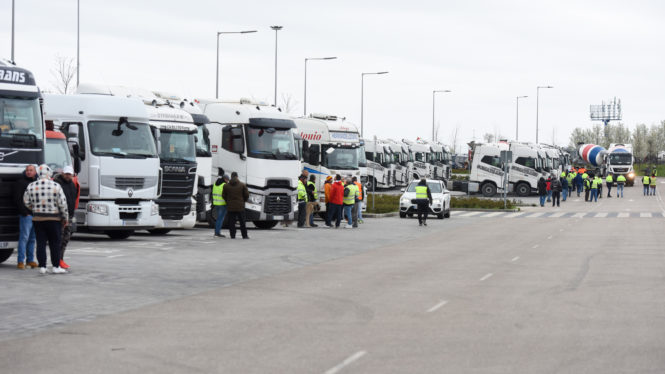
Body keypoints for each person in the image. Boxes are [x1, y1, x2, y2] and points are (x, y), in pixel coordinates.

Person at [23, 164, 69, 274]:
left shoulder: (31, 186)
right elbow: (62, 204)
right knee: (55, 243)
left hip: (38, 219)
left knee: (41, 243)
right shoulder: (56, 186)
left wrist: (34, 209)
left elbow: (26, 202)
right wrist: (65, 217)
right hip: (54, 219)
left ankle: (42, 267)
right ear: (49, 173)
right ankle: (55, 266)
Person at [53, 165, 79, 269]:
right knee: (59, 238)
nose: (68, 176)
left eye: (70, 174)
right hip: (60, 216)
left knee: (66, 239)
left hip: (70, 215)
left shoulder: (72, 185)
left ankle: (60, 259)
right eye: (66, 174)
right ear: (63, 173)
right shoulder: (57, 184)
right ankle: (57, 260)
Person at [13, 164, 38, 270]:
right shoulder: (20, 183)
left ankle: (30, 260)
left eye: (31, 170)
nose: (28, 172)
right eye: (27, 170)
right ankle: (20, 261)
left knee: (32, 239)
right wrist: (24, 212)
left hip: (36, 215)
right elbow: (17, 199)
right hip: (26, 216)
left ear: (35, 172)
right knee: (24, 238)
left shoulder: (37, 183)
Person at [222, 172, 249, 239]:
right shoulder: (242, 185)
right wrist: (243, 201)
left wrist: (228, 201)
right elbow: (246, 195)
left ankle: (232, 235)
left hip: (230, 207)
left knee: (231, 222)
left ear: (231, 177)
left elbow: (223, 195)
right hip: (240, 206)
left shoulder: (226, 186)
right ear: (237, 176)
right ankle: (244, 235)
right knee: (242, 222)